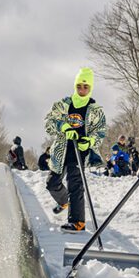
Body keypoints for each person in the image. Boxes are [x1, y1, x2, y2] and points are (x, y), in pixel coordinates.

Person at [43, 68, 106, 232]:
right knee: (51, 184)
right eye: (79, 86)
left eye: (86, 87)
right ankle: (64, 201)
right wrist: (63, 126)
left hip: (80, 153)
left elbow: (100, 131)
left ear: (90, 88)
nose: (82, 90)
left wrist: (90, 141)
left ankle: (77, 222)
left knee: (75, 185)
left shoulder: (95, 109)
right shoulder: (64, 104)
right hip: (61, 150)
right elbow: (49, 121)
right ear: (75, 86)